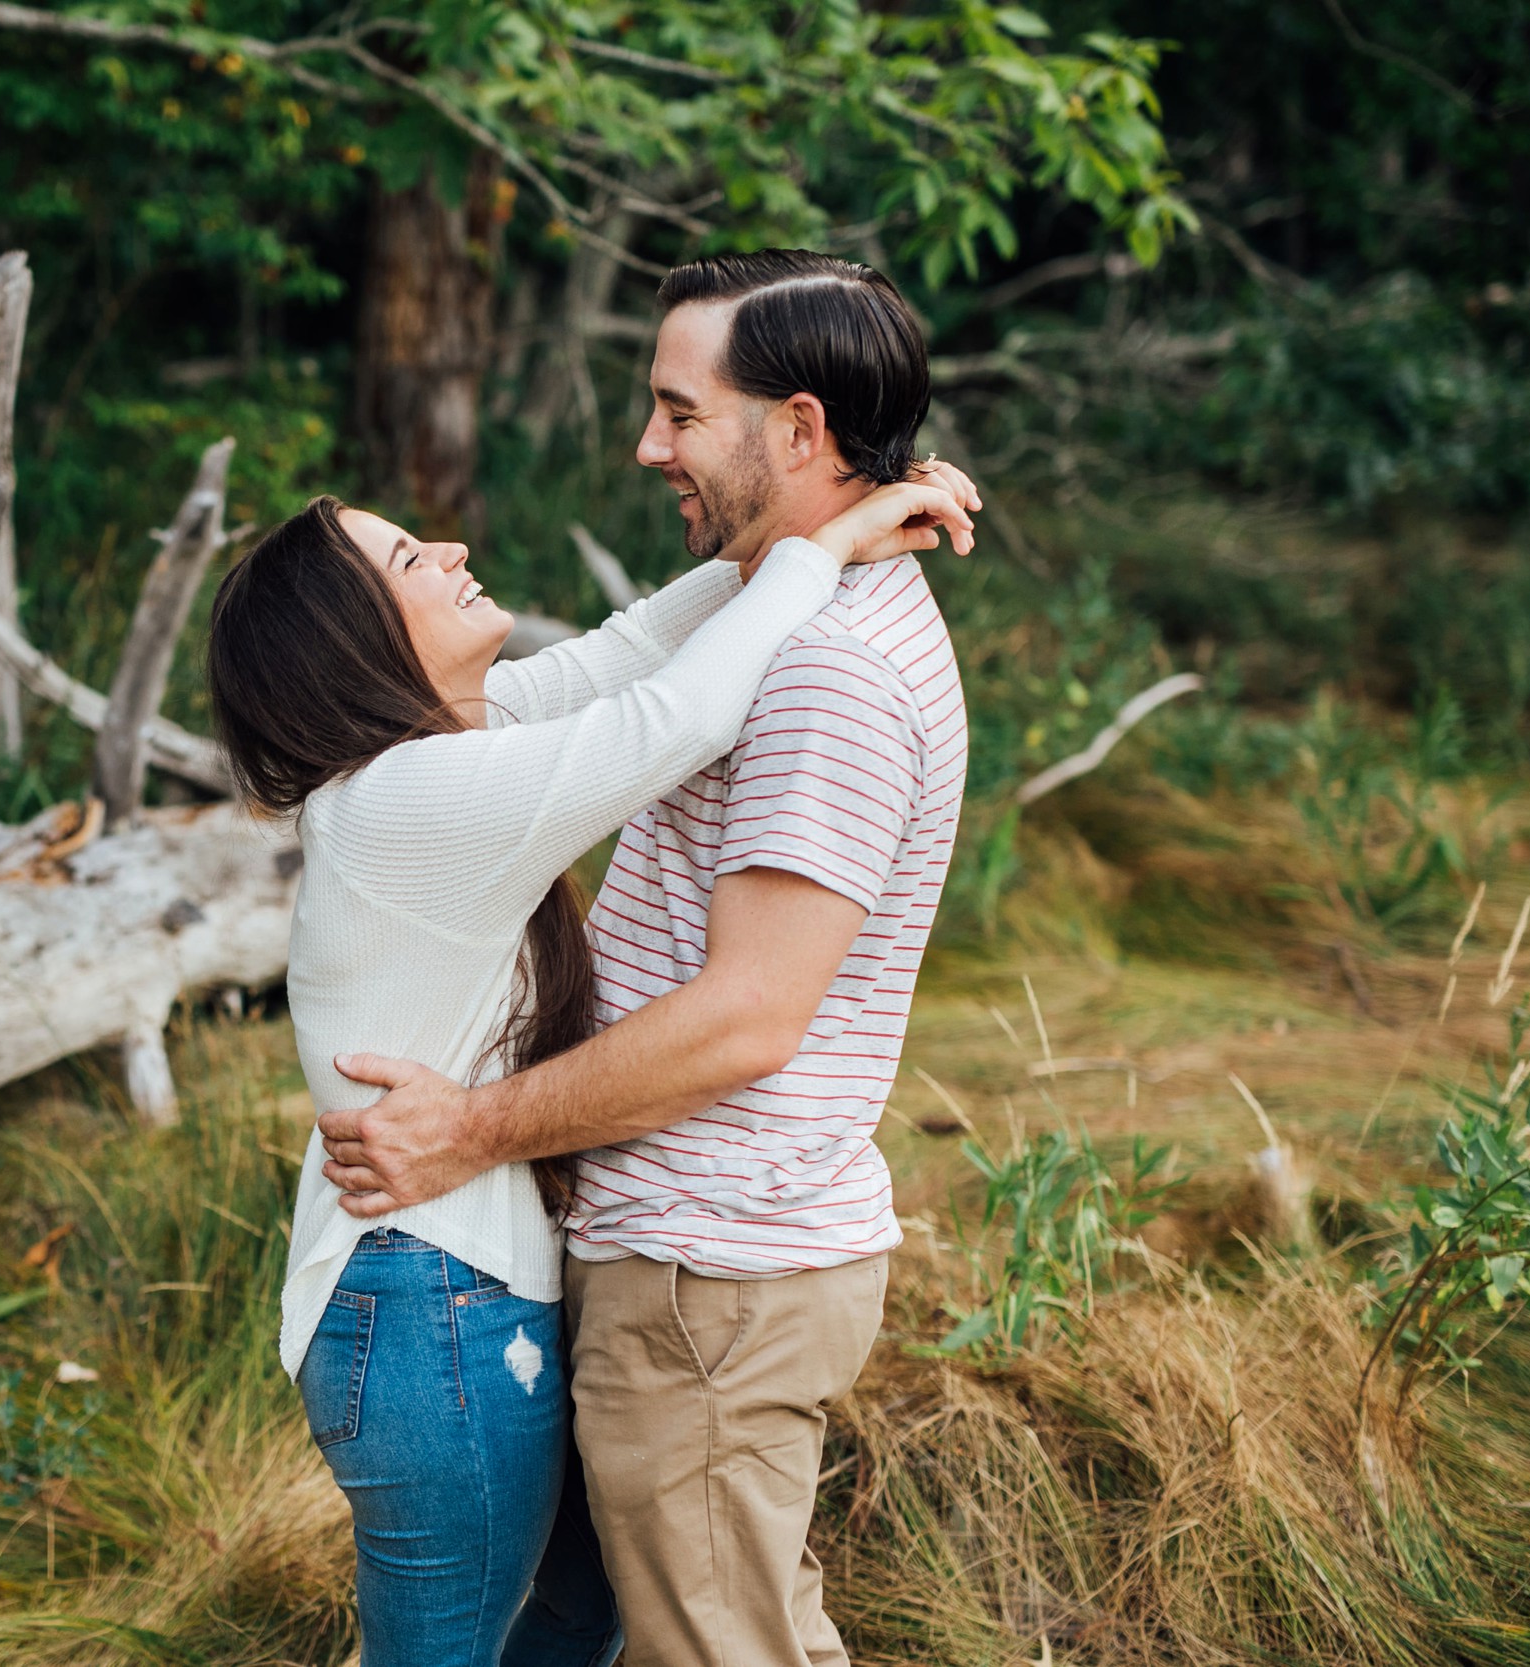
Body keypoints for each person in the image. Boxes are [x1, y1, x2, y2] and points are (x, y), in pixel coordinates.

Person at [204, 380, 976, 1660]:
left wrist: (805, 528)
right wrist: (823, 547)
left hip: (461, 1296)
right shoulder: (409, 799)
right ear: (354, 642)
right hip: (429, 1311)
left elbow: (625, 652)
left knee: (574, 1622)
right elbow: (669, 716)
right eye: (409, 556)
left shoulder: (459, 737)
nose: (450, 548)